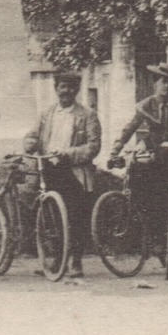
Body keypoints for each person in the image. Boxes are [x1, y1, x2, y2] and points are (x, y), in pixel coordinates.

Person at [33, 72, 101, 277]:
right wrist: (29, 144)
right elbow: (34, 135)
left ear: (77, 90)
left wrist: (69, 154)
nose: (66, 91)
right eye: (63, 87)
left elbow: (94, 146)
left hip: (74, 171)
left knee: (75, 216)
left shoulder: (87, 115)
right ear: (56, 89)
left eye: (71, 87)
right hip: (48, 169)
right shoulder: (47, 113)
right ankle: (56, 259)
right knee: (49, 216)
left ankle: (76, 262)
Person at [108, 63, 168, 230]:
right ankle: (142, 226)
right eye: (163, 81)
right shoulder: (146, 105)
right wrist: (115, 151)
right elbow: (129, 129)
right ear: (155, 82)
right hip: (153, 151)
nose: (166, 86)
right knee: (139, 182)